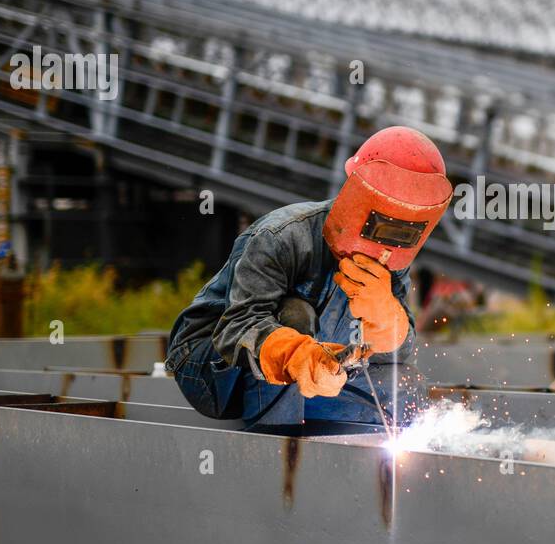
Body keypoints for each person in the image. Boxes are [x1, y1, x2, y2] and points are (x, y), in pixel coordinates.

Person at [165, 126, 452, 428]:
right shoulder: (281, 236)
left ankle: (364, 456)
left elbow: (400, 354)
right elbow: (238, 326)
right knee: (295, 317)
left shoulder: (392, 259)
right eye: (383, 223)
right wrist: (297, 355)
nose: (386, 246)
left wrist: (390, 323)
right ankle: (280, 454)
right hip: (210, 368)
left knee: (404, 382)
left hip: (316, 376)